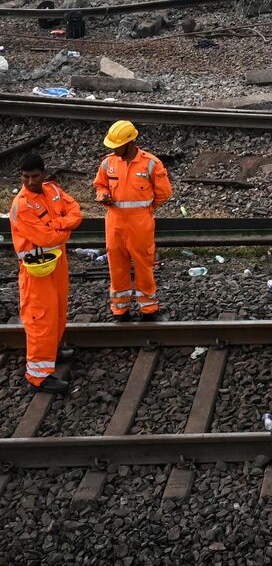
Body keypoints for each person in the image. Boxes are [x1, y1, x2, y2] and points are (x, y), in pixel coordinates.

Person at [8, 153, 82, 393]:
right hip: (35, 270)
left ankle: (53, 352)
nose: (30, 181)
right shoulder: (22, 205)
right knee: (40, 319)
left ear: (44, 173)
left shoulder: (52, 190)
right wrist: (64, 229)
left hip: (56, 263)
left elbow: (75, 213)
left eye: (35, 176)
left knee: (58, 311)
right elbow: (45, 237)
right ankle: (38, 376)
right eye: (26, 177)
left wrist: (57, 224)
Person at [94, 121, 172, 321]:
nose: (112, 148)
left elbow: (164, 193)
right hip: (114, 223)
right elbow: (100, 185)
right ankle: (120, 309)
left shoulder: (151, 163)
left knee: (143, 266)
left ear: (130, 143)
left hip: (140, 225)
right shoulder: (108, 163)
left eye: (116, 145)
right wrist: (102, 195)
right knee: (116, 266)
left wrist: (146, 210)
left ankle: (148, 309)